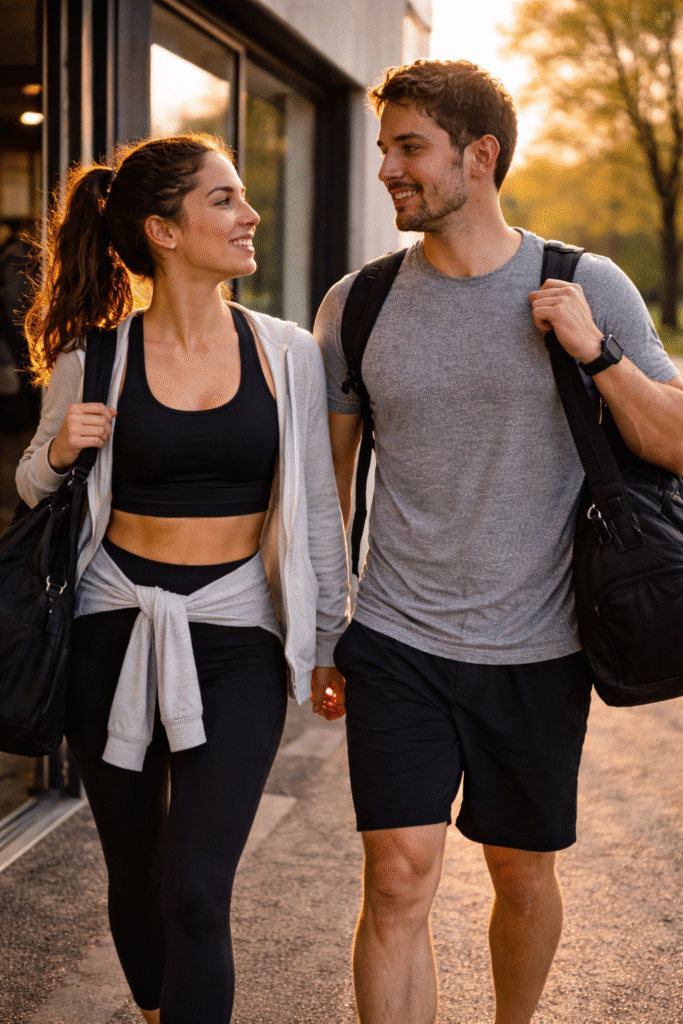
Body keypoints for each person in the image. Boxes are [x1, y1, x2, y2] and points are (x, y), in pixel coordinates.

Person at [315, 59, 683, 1024]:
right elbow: (329, 487)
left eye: (409, 148)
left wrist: (593, 352)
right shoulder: (358, 304)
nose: (388, 168)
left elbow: (672, 440)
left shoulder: (583, 282)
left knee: (521, 878)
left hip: (542, 641)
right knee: (396, 879)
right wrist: (325, 629)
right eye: (384, 147)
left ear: (478, 156)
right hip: (399, 638)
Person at [17, 133, 348, 1024]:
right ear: (163, 230)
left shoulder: (287, 353)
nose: (249, 217)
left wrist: (325, 642)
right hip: (109, 627)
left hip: (237, 636)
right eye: (225, 200)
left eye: (242, 199)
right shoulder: (96, 356)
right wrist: (58, 448)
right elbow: (29, 485)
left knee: (196, 886)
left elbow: (318, 505)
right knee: (137, 869)